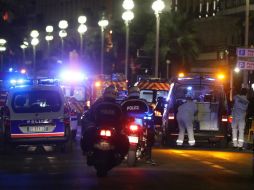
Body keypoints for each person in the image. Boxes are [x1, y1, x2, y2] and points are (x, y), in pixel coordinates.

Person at [80, 85, 129, 161]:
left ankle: (88, 151)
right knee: (123, 138)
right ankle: (119, 153)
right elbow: (122, 118)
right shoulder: (117, 106)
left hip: (101, 128)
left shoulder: (98, 105)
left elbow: (91, 115)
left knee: (87, 134)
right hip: (107, 128)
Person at [121, 86, 156, 165]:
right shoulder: (143, 102)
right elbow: (149, 112)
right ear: (138, 93)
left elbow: (119, 112)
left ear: (129, 93)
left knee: (120, 135)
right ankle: (148, 157)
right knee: (150, 136)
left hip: (127, 126)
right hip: (139, 125)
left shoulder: (124, 102)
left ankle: (119, 153)